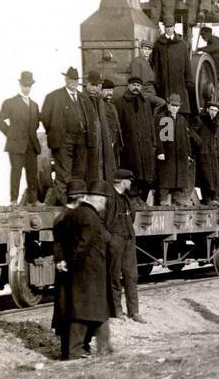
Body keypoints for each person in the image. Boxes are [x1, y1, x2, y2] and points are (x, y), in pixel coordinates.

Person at [51, 179, 112, 360]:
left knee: (89, 310)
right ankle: (77, 350)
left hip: (81, 271)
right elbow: (83, 245)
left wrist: (63, 260)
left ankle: (97, 347)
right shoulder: (86, 216)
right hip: (86, 271)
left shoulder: (66, 215)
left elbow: (61, 242)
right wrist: (70, 263)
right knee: (83, 311)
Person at [41, 66, 89, 200]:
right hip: (62, 141)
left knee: (78, 173)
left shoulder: (83, 98)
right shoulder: (53, 97)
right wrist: (55, 133)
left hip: (81, 141)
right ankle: (64, 204)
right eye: (70, 79)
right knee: (63, 174)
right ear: (66, 79)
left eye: (75, 80)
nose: (73, 82)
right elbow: (45, 117)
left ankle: (76, 203)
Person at [0, 70, 41, 204]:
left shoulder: (34, 105)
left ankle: (34, 200)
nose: (27, 88)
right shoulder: (10, 103)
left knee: (32, 174)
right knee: (16, 172)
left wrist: (30, 133)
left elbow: (36, 124)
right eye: (25, 85)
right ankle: (14, 200)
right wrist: (11, 134)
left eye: (29, 86)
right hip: (16, 145)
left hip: (31, 145)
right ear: (20, 85)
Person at [105, 168, 144, 324]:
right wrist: (111, 239)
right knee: (114, 276)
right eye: (128, 180)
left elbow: (132, 216)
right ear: (122, 181)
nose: (130, 183)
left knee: (131, 276)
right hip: (116, 241)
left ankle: (134, 311)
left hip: (128, 240)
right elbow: (102, 221)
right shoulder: (109, 198)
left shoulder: (126, 198)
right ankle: (116, 312)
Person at [116, 76, 157, 202]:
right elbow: (118, 126)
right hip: (130, 146)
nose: (135, 88)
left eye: (138, 85)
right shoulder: (120, 103)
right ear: (128, 86)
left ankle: (141, 198)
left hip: (145, 146)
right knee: (132, 172)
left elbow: (150, 124)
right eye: (133, 85)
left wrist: (153, 143)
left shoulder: (145, 103)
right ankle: (133, 198)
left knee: (145, 176)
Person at [155, 93, 199, 205]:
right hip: (168, 154)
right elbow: (160, 138)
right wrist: (160, 151)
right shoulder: (164, 118)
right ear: (168, 105)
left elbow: (185, 138)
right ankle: (164, 199)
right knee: (166, 177)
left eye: (176, 106)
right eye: (172, 105)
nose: (174, 108)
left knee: (179, 177)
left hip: (180, 154)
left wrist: (188, 153)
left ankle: (178, 198)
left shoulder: (181, 119)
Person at [150, 22, 193, 113]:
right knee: (165, 107)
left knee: (180, 106)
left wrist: (189, 79)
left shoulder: (181, 44)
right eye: (166, 27)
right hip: (164, 81)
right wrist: (156, 80)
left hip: (178, 80)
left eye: (170, 27)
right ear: (164, 27)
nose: (168, 29)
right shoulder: (158, 44)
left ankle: (180, 121)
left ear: (174, 27)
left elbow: (187, 63)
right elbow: (156, 64)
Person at [195, 102, 219, 202]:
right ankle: (207, 198)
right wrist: (199, 141)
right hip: (203, 152)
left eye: (215, 111)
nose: (213, 112)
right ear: (207, 109)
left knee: (216, 176)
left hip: (215, 152)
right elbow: (192, 131)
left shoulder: (218, 122)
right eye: (212, 110)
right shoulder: (200, 119)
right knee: (205, 176)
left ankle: (215, 197)